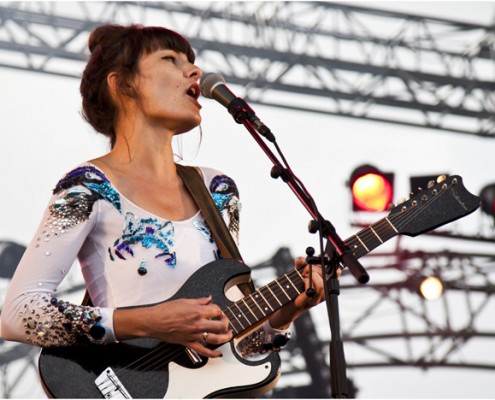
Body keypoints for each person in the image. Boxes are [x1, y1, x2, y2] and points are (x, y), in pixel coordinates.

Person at [1, 24, 325, 396]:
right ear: (122, 84)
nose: (195, 72)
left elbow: (228, 345)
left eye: (192, 62)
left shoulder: (218, 192)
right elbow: (18, 313)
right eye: (171, 60)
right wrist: (151, 321)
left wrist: (284, 316)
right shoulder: (88, 186)